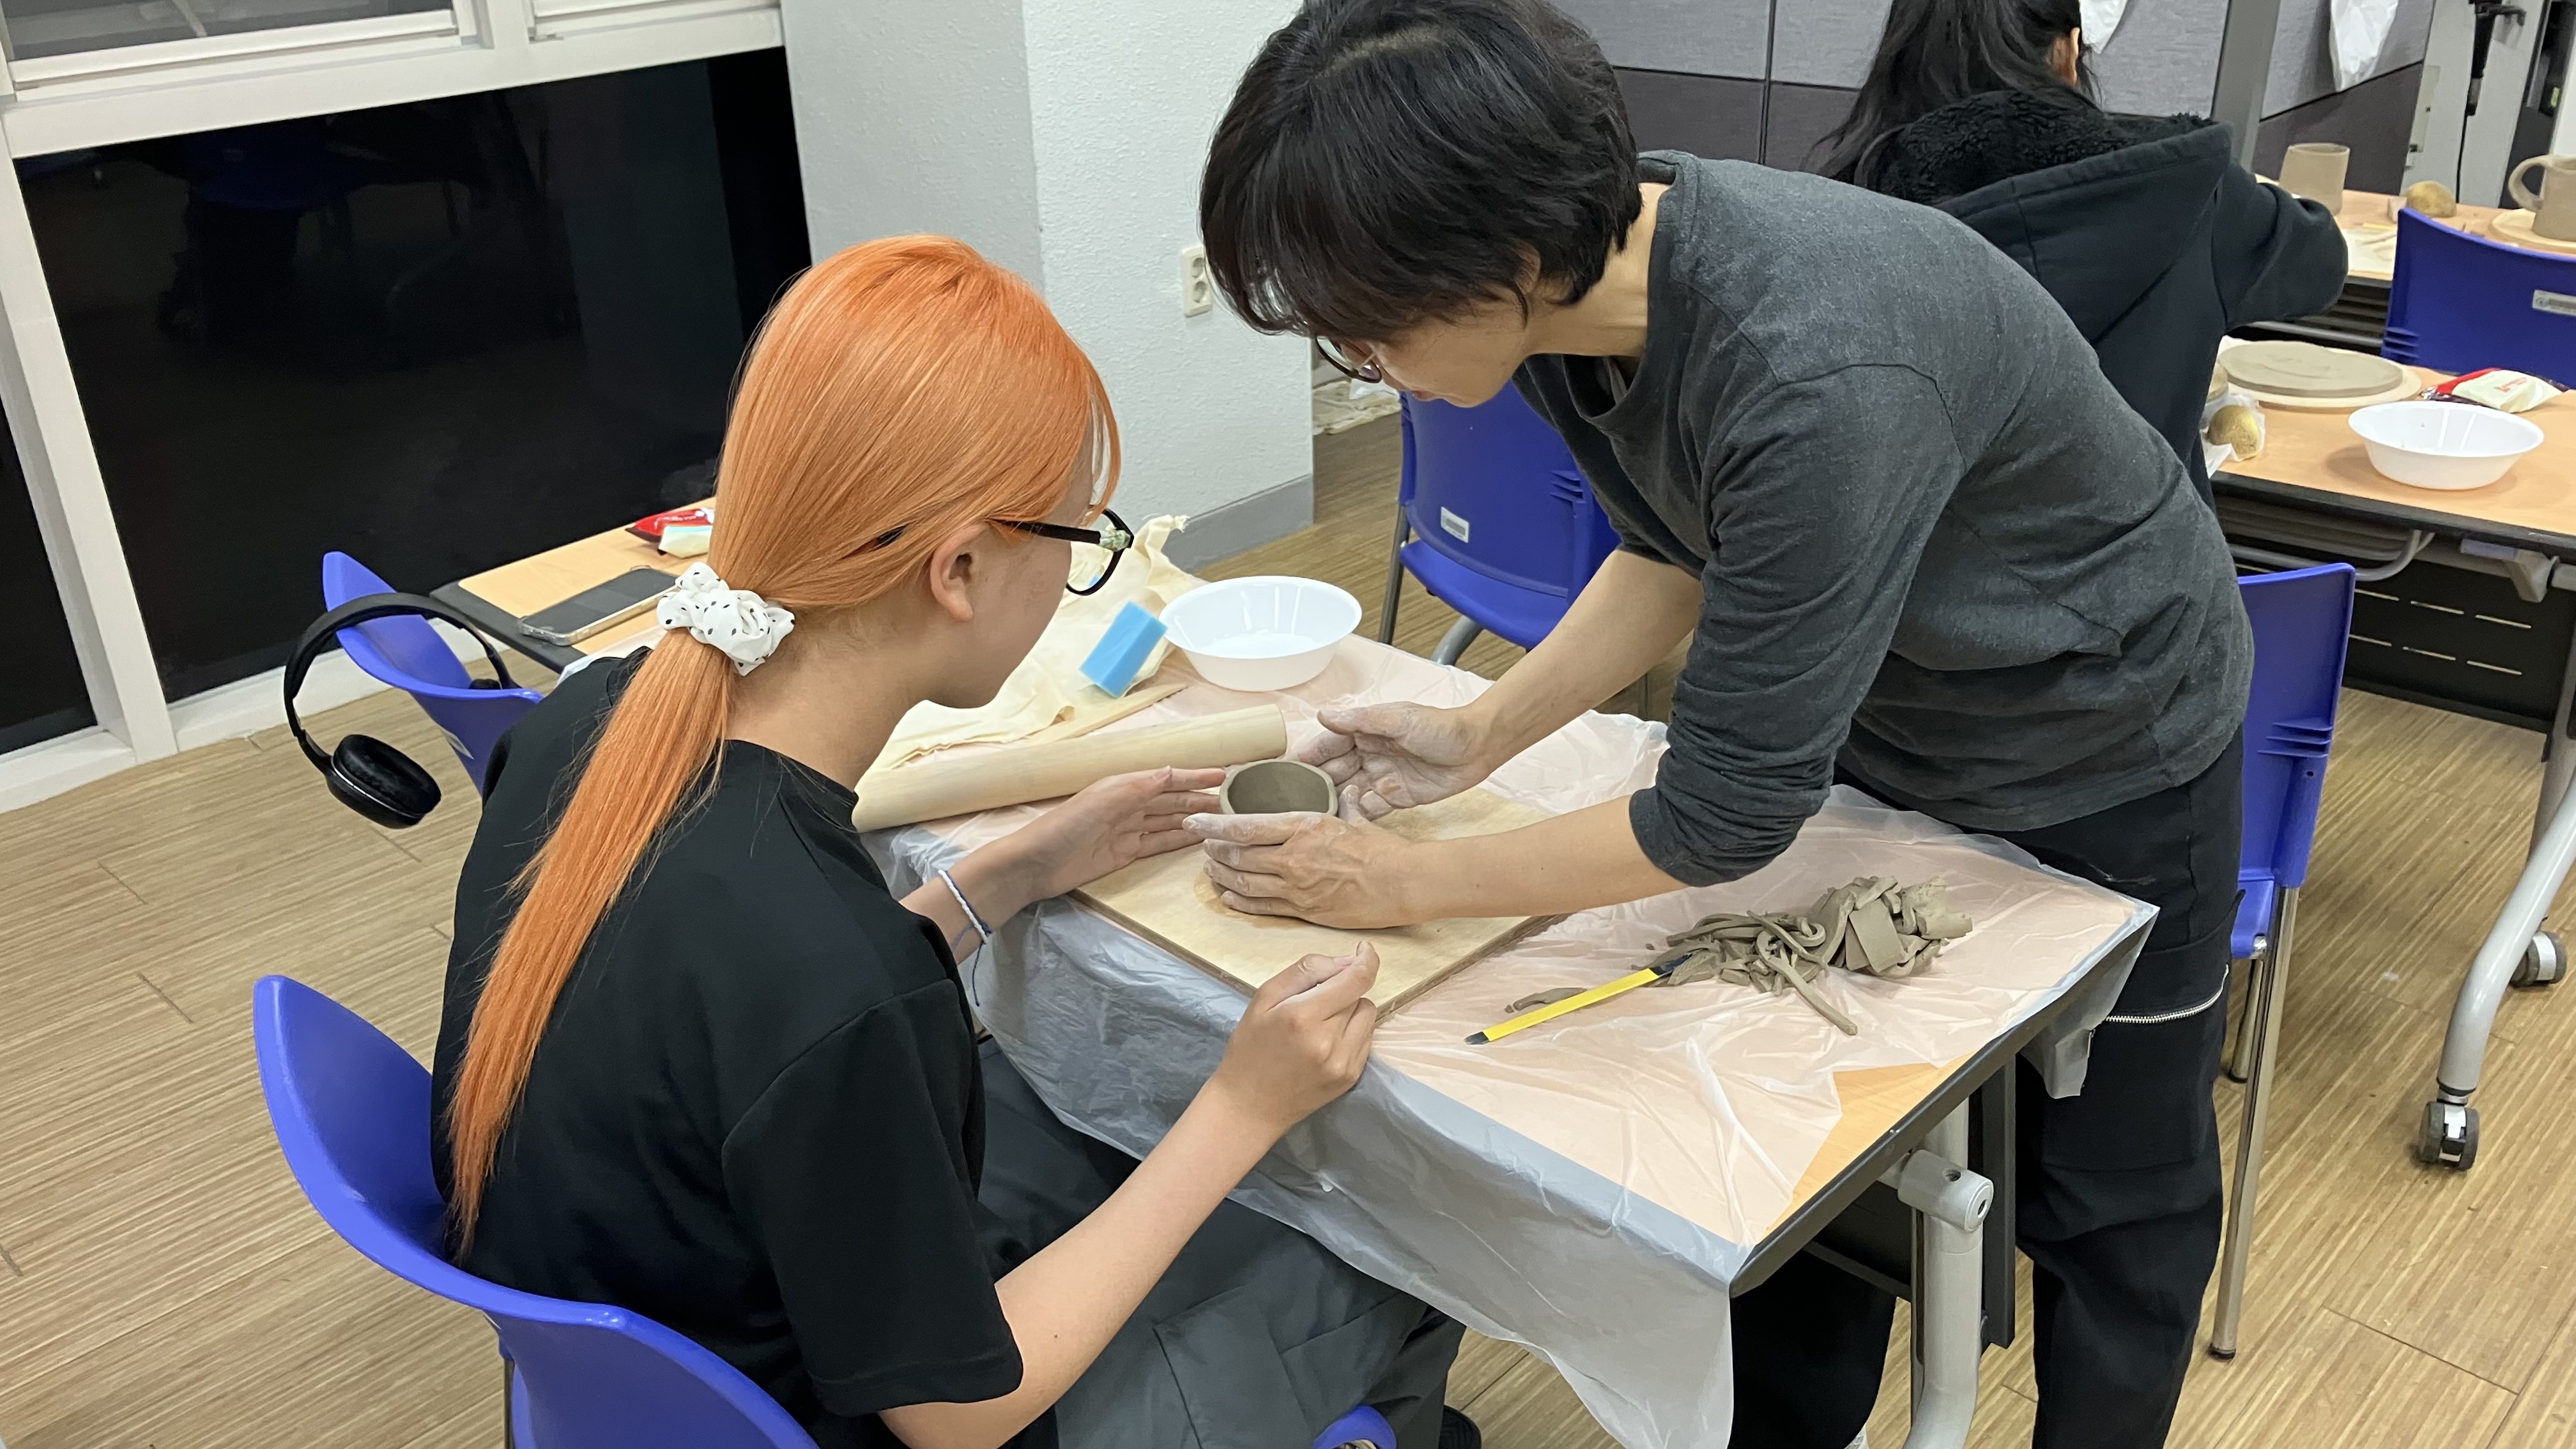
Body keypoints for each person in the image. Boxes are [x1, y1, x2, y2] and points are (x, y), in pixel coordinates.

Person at [1192, 3, 2245, 1447]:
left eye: (1366, 329)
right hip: (1882, 704)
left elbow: (1719, 818)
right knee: (1828, 1143)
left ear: (1508, 259)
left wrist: (1403, 883)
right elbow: (1679, 544)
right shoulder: (1587, 289)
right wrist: (1482, 732)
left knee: (2109, 1192)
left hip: (2112, 728)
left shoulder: (1816, 365)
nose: (1359, 361)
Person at [429, 236, 1473, 1449]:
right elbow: (955, 1417)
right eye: (1079, 539)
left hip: (659, 1372)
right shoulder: (834, 977)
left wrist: (1010, 873)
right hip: (871, 1415)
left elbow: (741, 1029)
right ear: (963, 568)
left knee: (1077, 1117)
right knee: (1398, 1240)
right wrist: (1245, 1105)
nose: (1075, 572)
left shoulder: (581, 726)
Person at [1820, 0, 2347, 503]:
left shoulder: (1839, 219)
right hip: (2143, 558)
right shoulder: (2189, 192)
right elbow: (2321, 263)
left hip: (1906, 564)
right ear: (2070, 52)